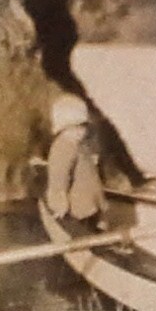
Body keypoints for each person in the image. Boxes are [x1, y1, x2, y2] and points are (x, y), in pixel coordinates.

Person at [45, 93, 108, 229]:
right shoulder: (63, 147)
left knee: (96, 227)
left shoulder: (80, 144)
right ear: (62, 128)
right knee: (84, 231)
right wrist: (59, 203)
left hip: (91, 203)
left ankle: (99, 224)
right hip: (78, 209)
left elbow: (91, 173)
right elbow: (58, 178)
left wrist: (101, 204)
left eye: (83, 126)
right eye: (74, 127)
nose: (80, 131)